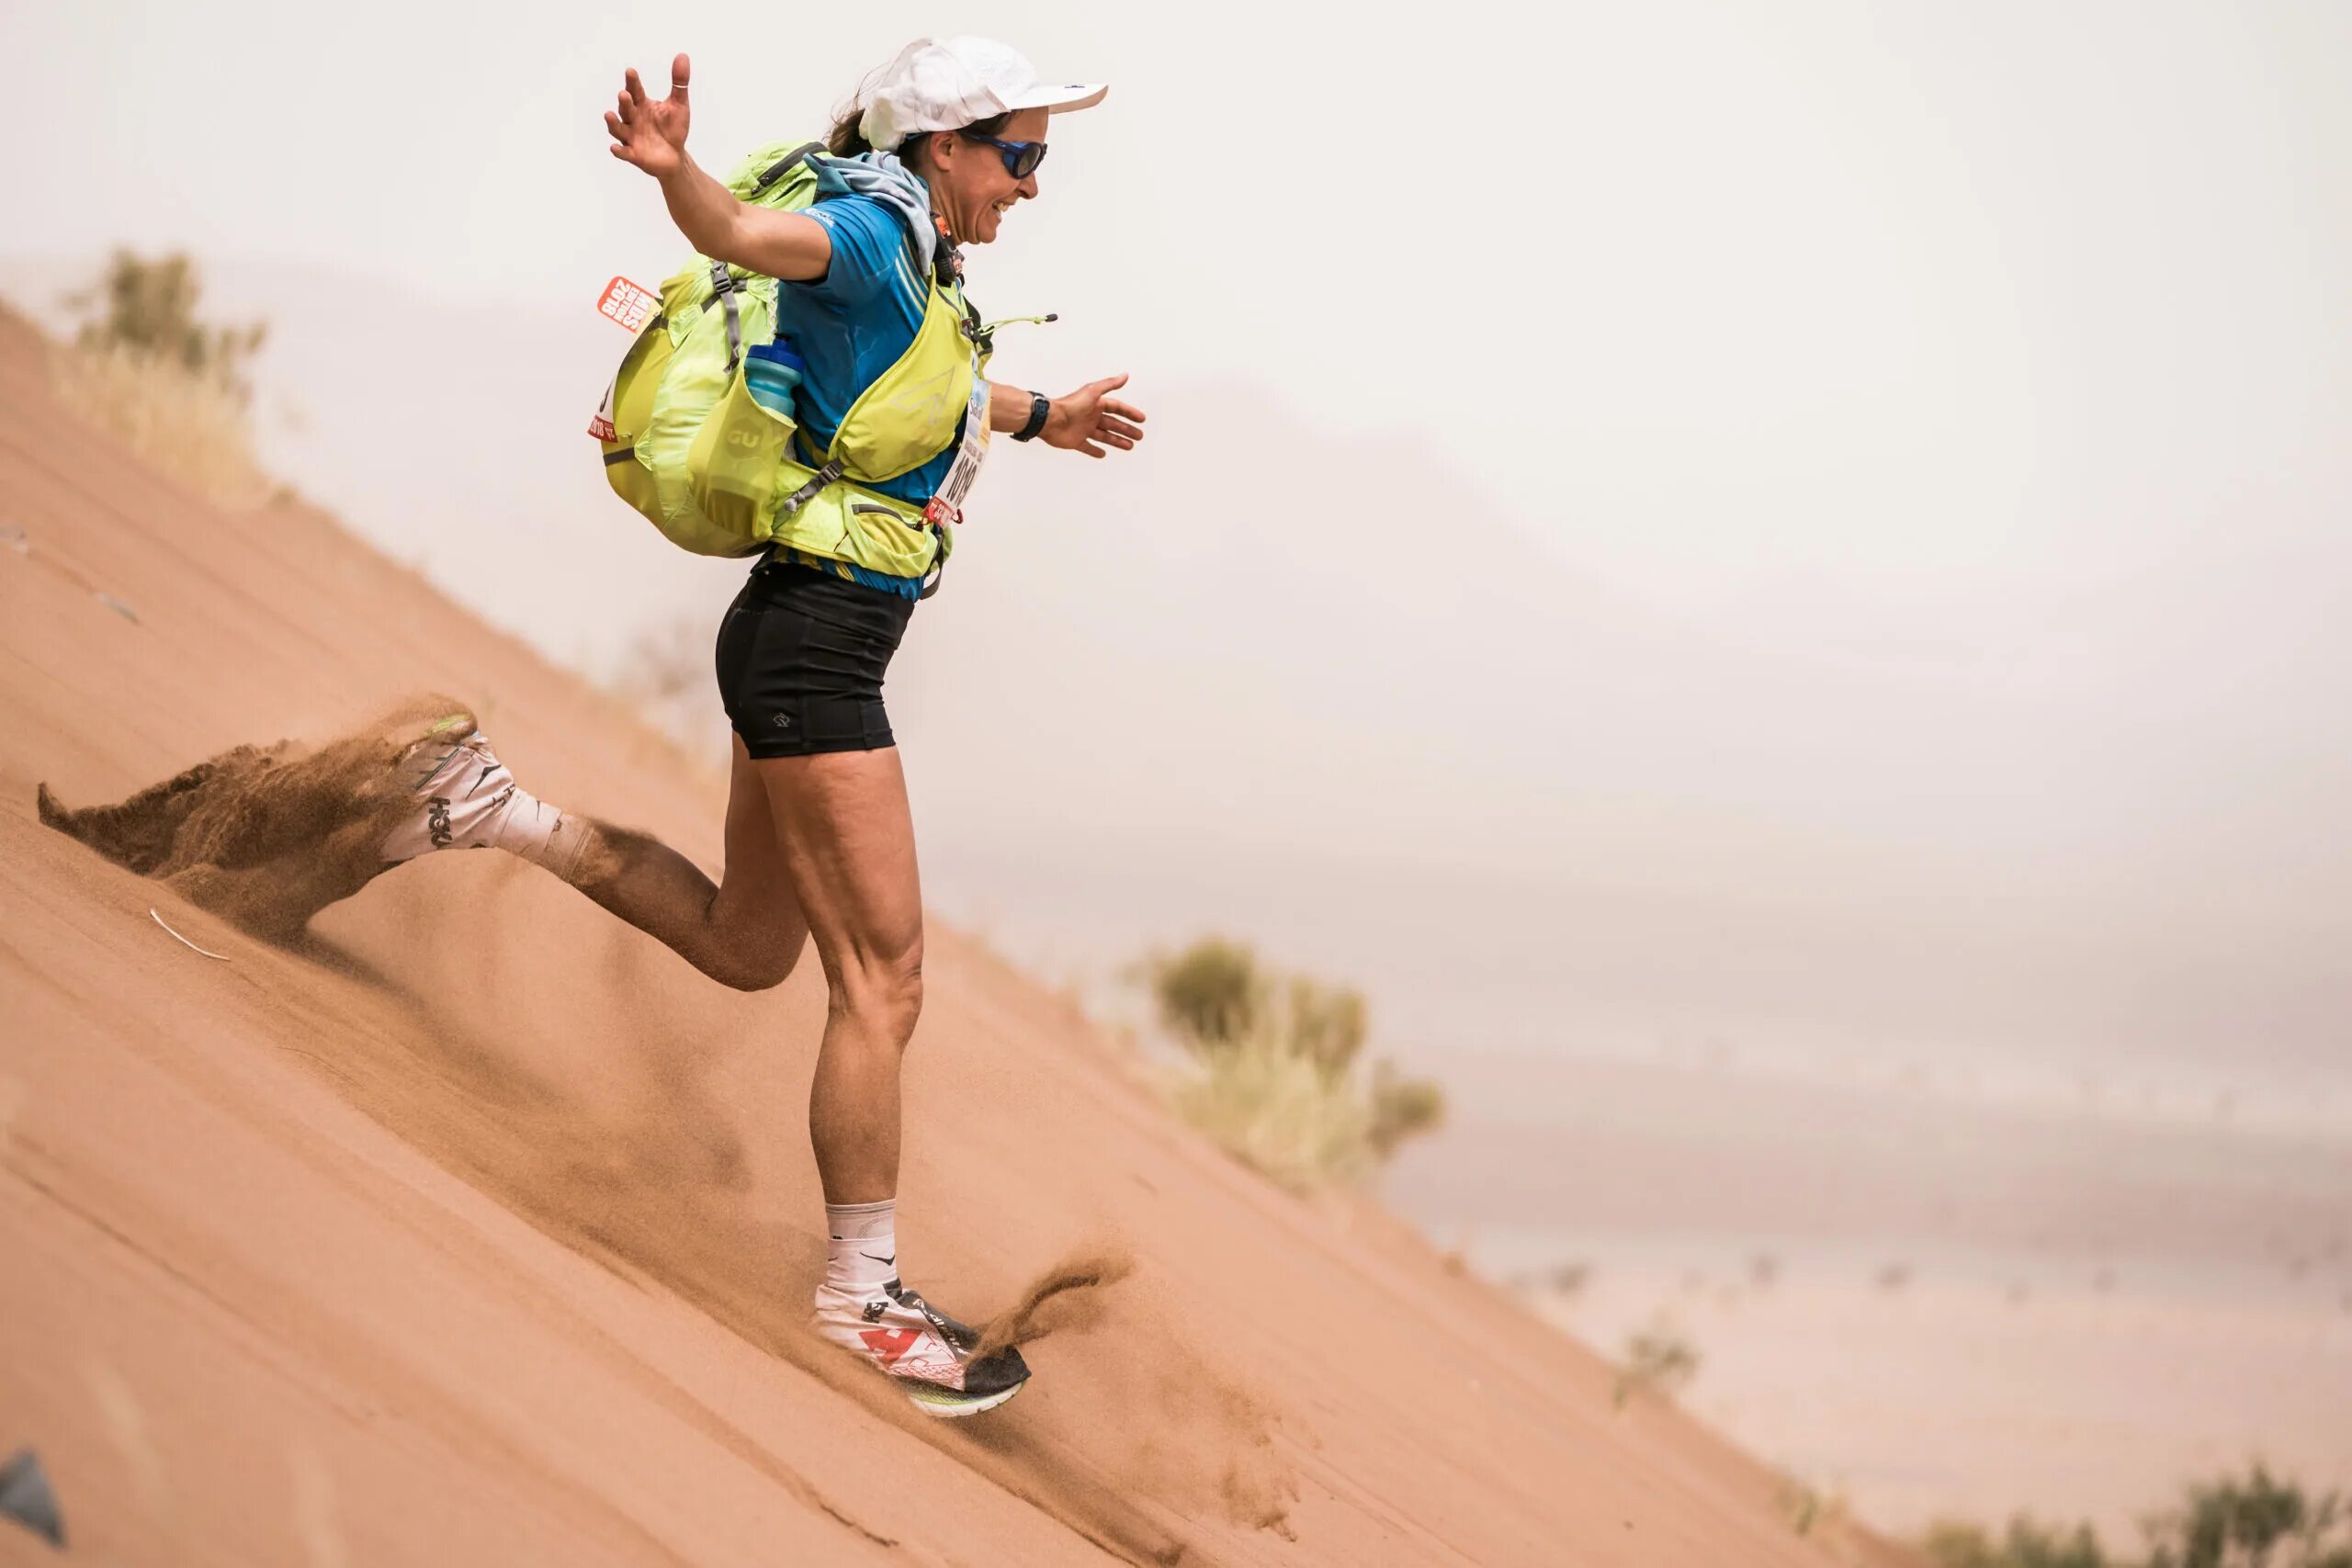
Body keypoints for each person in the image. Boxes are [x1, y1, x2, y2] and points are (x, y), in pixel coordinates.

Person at [40, 36, 1146, 1418]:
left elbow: (906, 392)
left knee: (752, 948)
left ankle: (485, 806)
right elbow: (751, 235)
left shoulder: (918, 266)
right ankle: (861, 1295)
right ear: (941, 147)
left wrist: (1042, 415)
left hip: (809, 638)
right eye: (1020, 154)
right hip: (818, 653)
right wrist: (678, 174)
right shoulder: (867, 232)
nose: (1034, 184)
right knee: (886, 983)